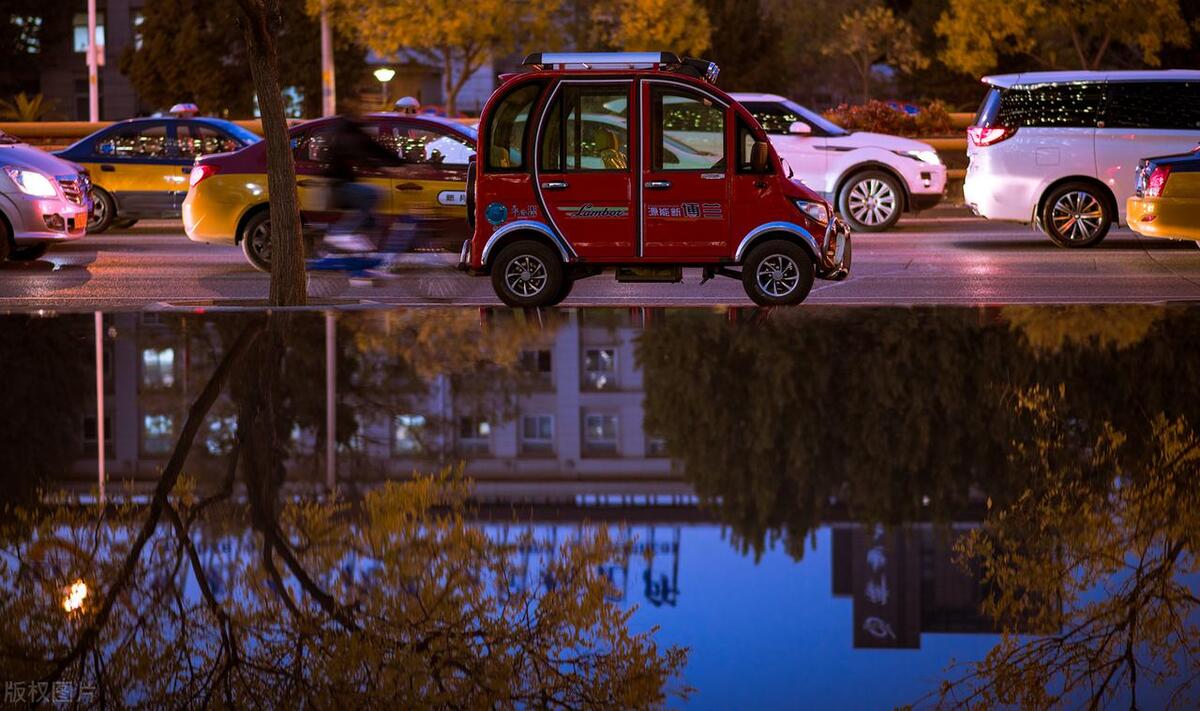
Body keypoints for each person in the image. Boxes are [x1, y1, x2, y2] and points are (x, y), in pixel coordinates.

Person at [321, 115, 404, 252]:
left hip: (344, 185)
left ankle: (365, 256)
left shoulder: (356, 132)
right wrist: (384, 168)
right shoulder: (347, 135)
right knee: (373, 194)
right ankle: (338, 233)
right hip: (339, 186)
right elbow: (360, 154)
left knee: (372, 220)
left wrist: (403, 164)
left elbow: (377, 149)